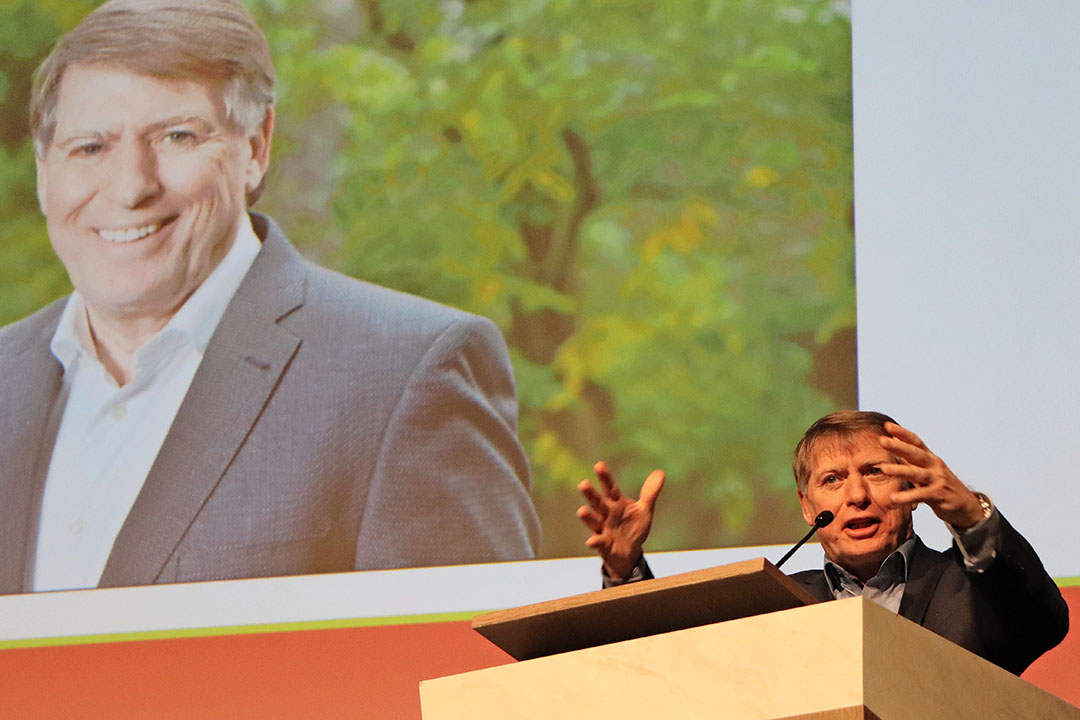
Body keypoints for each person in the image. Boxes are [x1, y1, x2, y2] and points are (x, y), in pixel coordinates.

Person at [0, 0, 540, 595]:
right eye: (89, 147)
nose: (131, 186)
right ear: (44, 172)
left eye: (177, 137)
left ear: (255, 149)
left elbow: (471, 678)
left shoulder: (404, 376)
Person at [577, 410, 1068, 675]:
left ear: (912, 489)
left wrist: (969, 514)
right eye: (833, 479)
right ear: (808, 507)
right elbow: (665, 670)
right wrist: (625, 572)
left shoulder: (971, 593)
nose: (856, 496)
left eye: (875, 472)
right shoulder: (775, 606)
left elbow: (1042, 617)